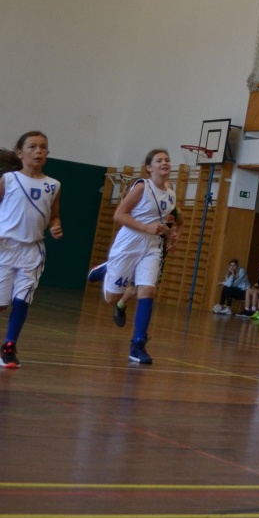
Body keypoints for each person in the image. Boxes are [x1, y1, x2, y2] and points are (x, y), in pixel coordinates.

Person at [0, 131, 62, 369]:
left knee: (23, 299)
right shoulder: (9, 179)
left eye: (43, 147)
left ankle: (9, 347)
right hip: (4, 247)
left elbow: (54, 216)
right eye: (32, 147)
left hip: (32, 251)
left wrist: (56, 226)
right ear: (20, 153)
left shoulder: (53, 185)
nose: (38, 151)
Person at [98, 148, 178, 365]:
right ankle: (107, 268)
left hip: (152, 246)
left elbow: (161, 222)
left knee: (147, 290)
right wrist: (144, 227)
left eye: (167, 160)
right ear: (149, 167)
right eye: (159, 160)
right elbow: (119, 215)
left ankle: (138, 344)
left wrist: (170, 234)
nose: (164, 163)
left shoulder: (171, 192)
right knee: (112, 298)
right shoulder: (142, 186)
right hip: (130, 242)